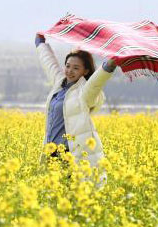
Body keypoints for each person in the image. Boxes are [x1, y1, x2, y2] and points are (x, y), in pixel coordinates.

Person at [35, 34, 117, 178]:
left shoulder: (84, 92)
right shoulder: (59, 84)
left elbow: (95, 84)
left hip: (70, 154)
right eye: (67, 66)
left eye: (76, 68)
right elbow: (50, 64)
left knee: (70, 195)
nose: (70, 71)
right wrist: (40, 43)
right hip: (51, 152)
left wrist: (108, 66)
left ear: (85, 71)